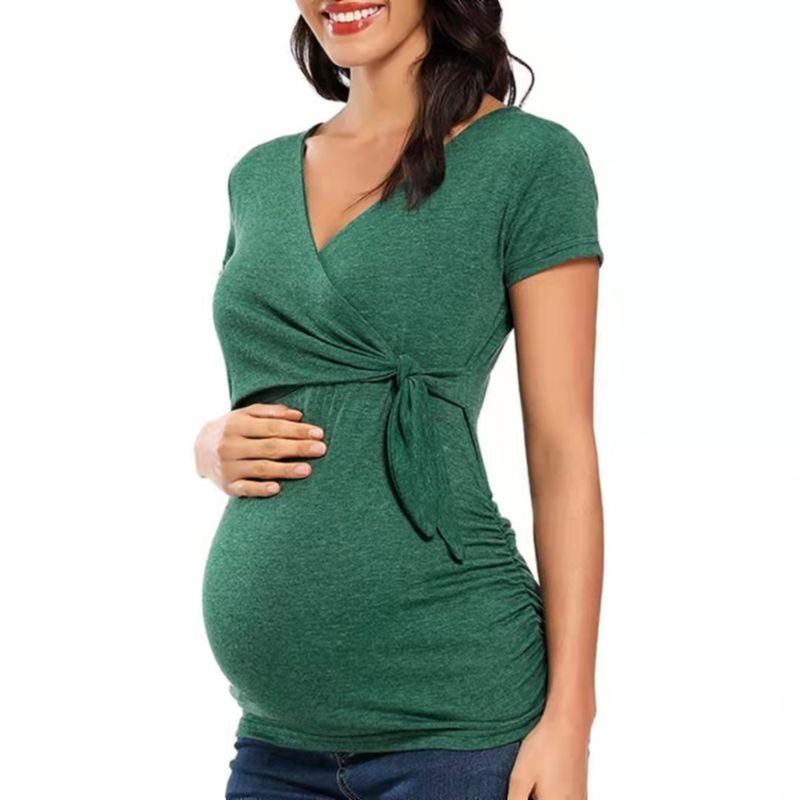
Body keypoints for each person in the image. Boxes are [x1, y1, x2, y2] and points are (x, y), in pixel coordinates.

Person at [193, 1, 605, 798]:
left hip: (455, 728)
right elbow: (281, 388)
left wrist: (569, 722)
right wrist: (210, 446)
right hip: (273, 737)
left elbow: (562, 450)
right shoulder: (257, 176)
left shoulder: (528, 160)